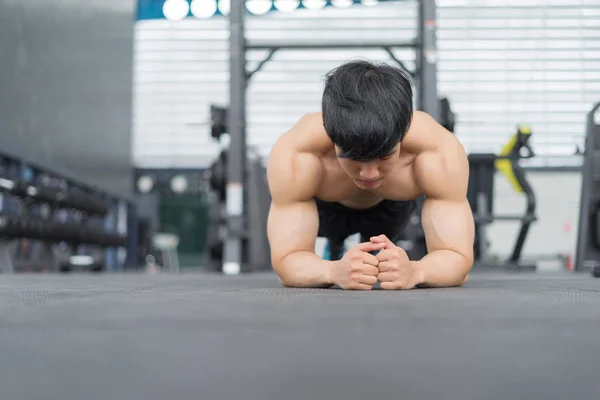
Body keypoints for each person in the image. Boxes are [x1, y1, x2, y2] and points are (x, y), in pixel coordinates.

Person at [266, 60, 474, 290]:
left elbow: (458, 258)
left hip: (391, 209)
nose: (369, 173)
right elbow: (286, 260)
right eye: (352, 157)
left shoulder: (436, 151)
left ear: (403, 132)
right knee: (334, 250)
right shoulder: (299, 153)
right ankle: (336, 247)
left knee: (381, 256)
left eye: (384, 156)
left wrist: (416, 271)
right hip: (329, 209)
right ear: (330, 133)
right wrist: (332, 270)